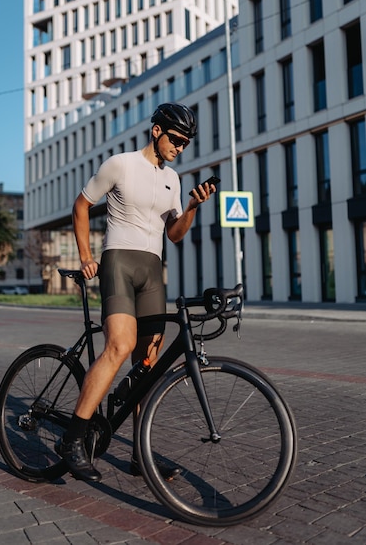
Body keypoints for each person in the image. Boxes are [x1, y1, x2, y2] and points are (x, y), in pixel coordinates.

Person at [56, 102, 218, 483]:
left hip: (152, 271)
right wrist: (85, 256)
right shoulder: (120, 164)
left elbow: (174, 234)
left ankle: (140, 457)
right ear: (156, 131)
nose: (180, 147)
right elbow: (81, 205)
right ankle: (73, 438)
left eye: (186, 143)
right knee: (120, 346)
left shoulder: (174, 179)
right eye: (176, 139)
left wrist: (193, 207)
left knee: (147, 367)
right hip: (118, 263)